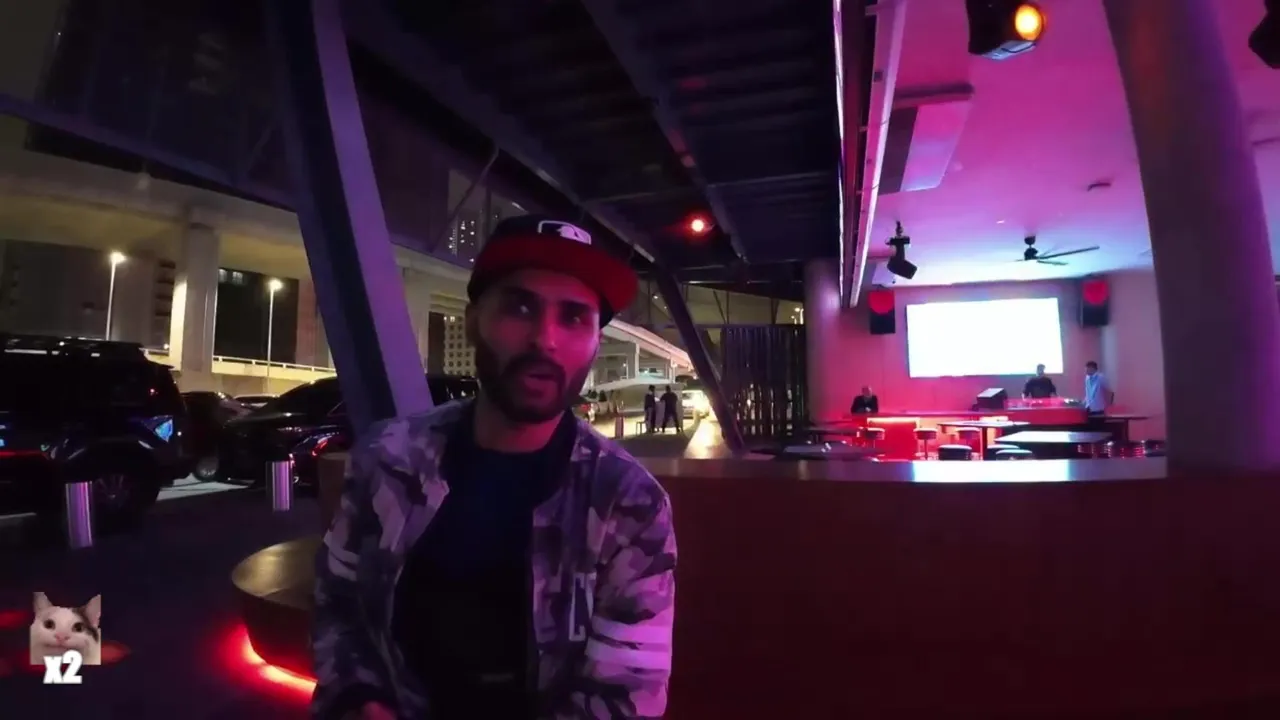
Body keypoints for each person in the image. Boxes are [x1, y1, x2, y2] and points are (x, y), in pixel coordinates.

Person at [311, 216, 676, 720]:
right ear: (472, 321)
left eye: (574, 317)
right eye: (519, 307)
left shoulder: (628, 503)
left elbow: (626, 697)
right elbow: (337, 602)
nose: (544, 339)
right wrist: (359, 700)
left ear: (596, 343)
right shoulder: (389, 457)